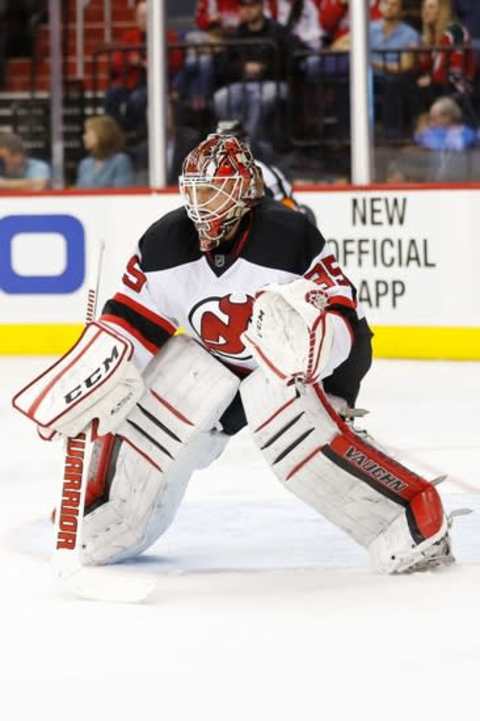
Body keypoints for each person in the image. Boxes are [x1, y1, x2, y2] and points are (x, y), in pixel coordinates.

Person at [14, 133, 454, 576]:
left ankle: (406, 513)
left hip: (301, 367)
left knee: (283, 410)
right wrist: (93, 380)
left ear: (244, 190)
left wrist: (312, 362)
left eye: (213, 190)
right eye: (195, 190)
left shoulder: (288, 235)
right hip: (222, 369)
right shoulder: (163, 243)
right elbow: (129, 327)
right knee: (168, 389)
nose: (200, 203)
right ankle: (114, 517)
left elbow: (342, 314)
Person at [213, 0, 299, 149]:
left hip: (273, 82)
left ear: (260, 6)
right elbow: (224, 65)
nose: (247, 10)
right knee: (220, 98)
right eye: (243, 6)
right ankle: (236, 141)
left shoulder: (278, 32)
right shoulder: (237, 34)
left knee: (259, 98)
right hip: (243, 83)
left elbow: (291, 62)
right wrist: (243, 68)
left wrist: (263, 68)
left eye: (251, 5)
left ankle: (249, 145)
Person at [215, 118, 318, 223]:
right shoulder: (205, 174)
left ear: (245, 144)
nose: (226, 150)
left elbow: (290, 214)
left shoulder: (265, 174)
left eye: (231, 145)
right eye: (221, 145)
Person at [417, 0, 475, 100]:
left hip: (457, 87)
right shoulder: (430, 35)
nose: (425, 11)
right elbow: (426, 68)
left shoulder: (456, 31)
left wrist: (431, 79)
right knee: (403, 82)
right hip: (437, 85)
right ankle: (420, 115)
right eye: (424, 7)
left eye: (431, 7)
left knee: (411, 88)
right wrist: (421, 55)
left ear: (443, 11)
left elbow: (455, 70)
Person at [76, 115, 135, 189]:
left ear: (102, 134)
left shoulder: (120, 161)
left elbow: (122, 193)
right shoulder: (84, 164)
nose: (84, 137)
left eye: (88, 132)